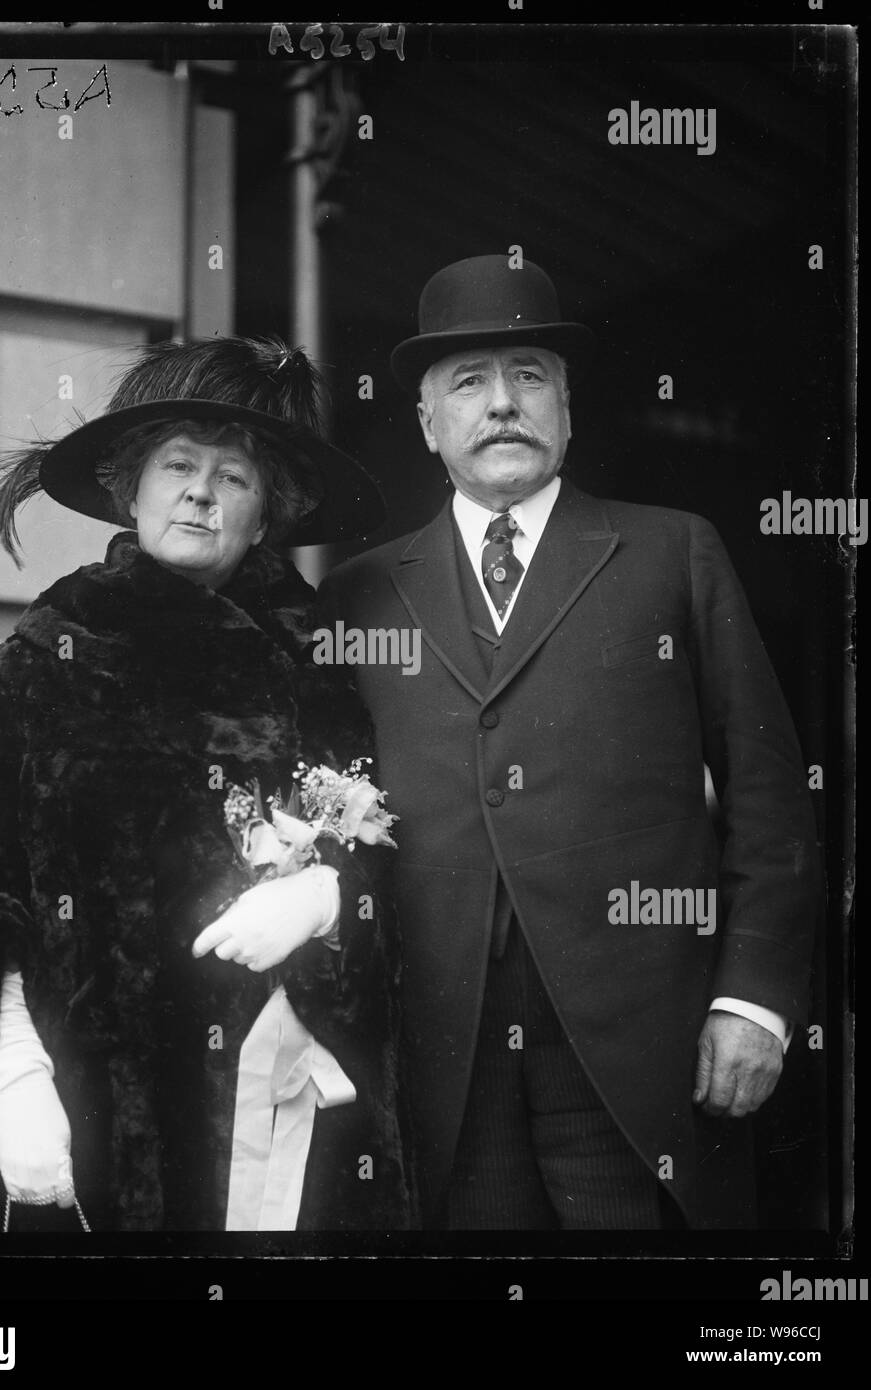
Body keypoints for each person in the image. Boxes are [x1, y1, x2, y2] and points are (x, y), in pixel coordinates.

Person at [315, 255, 821, 1230]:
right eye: (467, 382)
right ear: (426, 423)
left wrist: (753, 999)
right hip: (440, 1055)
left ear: (568, 408)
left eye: (528, 376)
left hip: (647, 1051)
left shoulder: (673, 552)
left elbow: (769, 799)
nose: (500, 403)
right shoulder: (359, 594)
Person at [0, 335, 411, 1234]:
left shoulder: (315, 652)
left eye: (233, 478)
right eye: (177, 466)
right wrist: (14, 1075)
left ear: (265, 516)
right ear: (131, 488)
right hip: (85, 1108)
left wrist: (329, 896)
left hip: (278, 1110)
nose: (199, 492)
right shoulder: (55, 646)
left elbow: (389, 866)